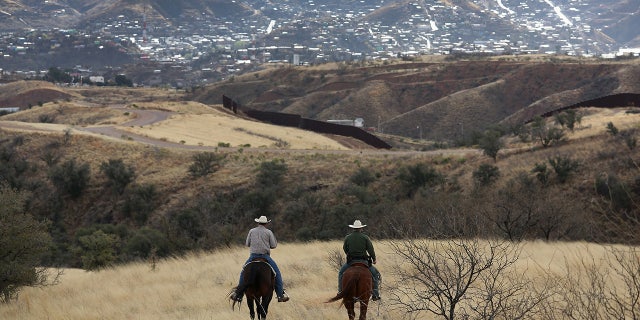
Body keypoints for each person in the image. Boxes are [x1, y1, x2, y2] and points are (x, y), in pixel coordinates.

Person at [230, 215, 289, 303]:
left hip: (253, 256)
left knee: (243, 272)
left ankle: (238, 294)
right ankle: (280, 295)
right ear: (266, 223)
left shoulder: (251, 231)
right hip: (265, 256)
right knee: (277, 273)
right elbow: (274, 245)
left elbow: (247, 244)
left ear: (258, 222)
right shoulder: (268, 232)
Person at [338, 219, 382, 301]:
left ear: (353, 228)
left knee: (341, 273)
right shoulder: (365, 237)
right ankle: (375, 294)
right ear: (361, 228)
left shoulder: (348, 237)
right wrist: (374, 259)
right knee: (375, 274)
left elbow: (345, 248)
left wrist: (349, 253)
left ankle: (340, 291)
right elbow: (370, 250)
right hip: (364, 261)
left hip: (351, 262)